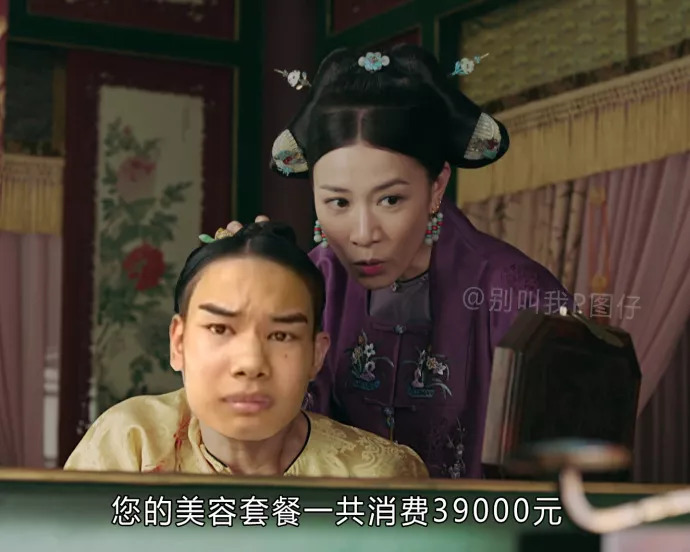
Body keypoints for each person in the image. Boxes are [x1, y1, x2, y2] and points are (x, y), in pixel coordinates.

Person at [224, 45, 573, 478]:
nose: (363, 232)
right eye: (338, 202)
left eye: (390, 199)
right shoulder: (309, 285)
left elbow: (563, 481)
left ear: (436, 186)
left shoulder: (519, 294)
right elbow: (261, 445)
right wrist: (246, 296)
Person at [64, 222, 428, 478]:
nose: (251, 363)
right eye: (220, 329)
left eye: (281, 335)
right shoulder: (129, 445)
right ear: (178, 343)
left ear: (316, 354)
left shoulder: (375, 477)